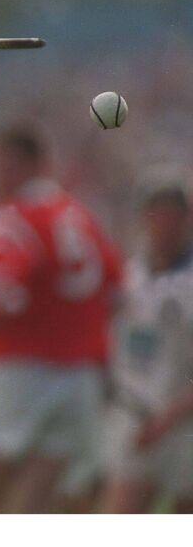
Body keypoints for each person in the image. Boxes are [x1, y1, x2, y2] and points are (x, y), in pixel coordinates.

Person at [0, 124, 122, 513]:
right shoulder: (80, 216)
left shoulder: (12, 218)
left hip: (17, 372)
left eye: (0, 164)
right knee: (36, 507)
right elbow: (116, 291)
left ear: (26, 165)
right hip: (78, 378)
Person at [102, 167, 193, 513]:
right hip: (134, 416)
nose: (162, 223)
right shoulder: (129, 276)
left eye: (172, 213)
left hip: (183, 422)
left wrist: (169, 418)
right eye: (155, 212)